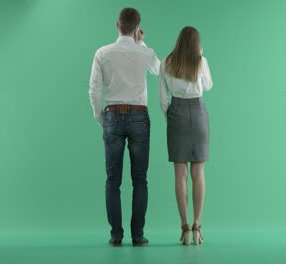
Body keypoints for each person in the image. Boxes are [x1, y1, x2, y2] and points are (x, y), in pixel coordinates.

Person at [89, 7, 160, 247]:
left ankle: (116, 235)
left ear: (117, 25)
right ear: (137, 28)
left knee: (113, 180)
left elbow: (93, 90)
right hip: (139, 116)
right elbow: (160, 70)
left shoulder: (102, 53)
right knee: (140, 179)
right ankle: (137, 235)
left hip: (112, 115)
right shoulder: (145, 52)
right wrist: (142, 44)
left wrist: (101, 117)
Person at [159, 26, 213, 246]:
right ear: (196, 44)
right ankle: (198, 226)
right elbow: (207, 85)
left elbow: (163, 100)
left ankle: (185, 228)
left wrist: (171, 119)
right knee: (198, 172)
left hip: (176, 115)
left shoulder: (165, 63)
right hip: (198, 113)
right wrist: (199, 56)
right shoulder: (201, 61)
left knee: (180, 173)